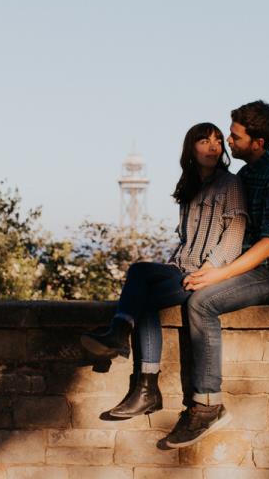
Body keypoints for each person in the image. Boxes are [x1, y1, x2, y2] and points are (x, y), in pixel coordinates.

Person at [160, 99, 269, 448]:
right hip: (246, 270)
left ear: (258, 142)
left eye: (236, 136)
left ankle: (208, 405)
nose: (228, 140)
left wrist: (217, 276)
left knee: (202, 303)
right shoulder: (243, 176)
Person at [80, 122, 247, 421]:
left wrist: (211, 270)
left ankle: (145, 387)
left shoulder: (230, 184)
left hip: (205, 273)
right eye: (204, 140)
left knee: (144, 299)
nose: (212, 146)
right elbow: (186, 241)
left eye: (218, 141)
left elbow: (235, 232)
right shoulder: (189, 187)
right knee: (140, 271)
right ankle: (120, 335)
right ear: (190, 148)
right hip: (180, 267)